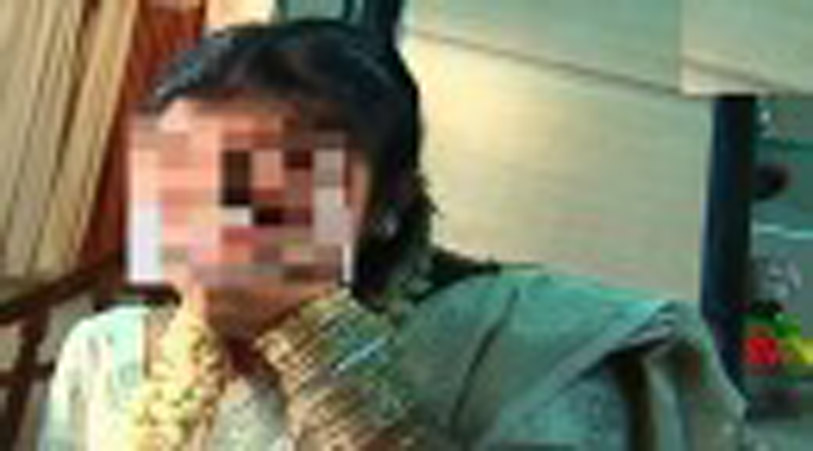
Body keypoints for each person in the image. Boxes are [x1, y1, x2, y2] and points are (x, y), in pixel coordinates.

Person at [38, 19, 751, 450]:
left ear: (387, 203)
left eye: (270, 186)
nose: (216, 221)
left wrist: (324, 351)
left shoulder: (531, 348)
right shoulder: (106, 351)